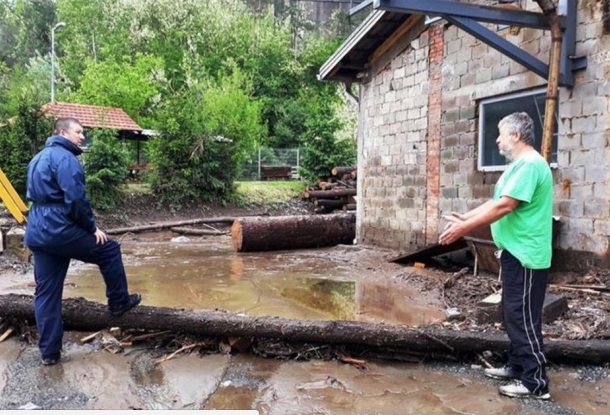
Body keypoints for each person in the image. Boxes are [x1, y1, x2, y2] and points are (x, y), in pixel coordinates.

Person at [439, 112, 553, 400]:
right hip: (516, 253)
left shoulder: (529, 165)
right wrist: (465, 216)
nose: (497, 140)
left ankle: (535, 382)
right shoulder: (518, 166)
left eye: (501, 134)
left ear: (516, 136)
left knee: (522, 316)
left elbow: (506, 207)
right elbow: (495, 201)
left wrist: (464, 227)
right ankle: (517, 366)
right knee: (513, 313)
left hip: (527, 255)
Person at [24, 117, 141, 366]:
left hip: (37, 229)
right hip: (59, 228)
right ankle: (119, 303)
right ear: (62, 132)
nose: (82, 137)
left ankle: (49, 353)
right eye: (78, 132)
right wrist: (91, 228)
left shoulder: (37, 158)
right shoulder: (66, 159)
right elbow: (76, 199)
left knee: (46, 293)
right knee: (109, 250)